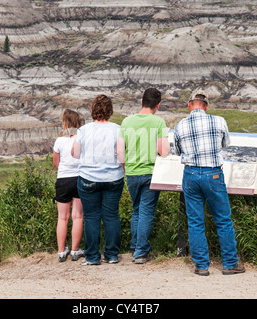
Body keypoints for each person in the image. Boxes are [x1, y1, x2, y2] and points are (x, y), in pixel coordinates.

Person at [174, 90, 245, 276]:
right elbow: (225, 144)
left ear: (189, 105)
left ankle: (201, 266)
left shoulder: (180, 125)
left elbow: (177, 151)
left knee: (195, 221)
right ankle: (230, 263)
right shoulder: (219, 121)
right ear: (206, 106)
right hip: (213, 173)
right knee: (223, 219)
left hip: (190, 174)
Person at [117, 88, 169, 264]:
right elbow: (163, 151)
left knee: (137, 209)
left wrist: (126, 168)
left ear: (141, 101)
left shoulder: (126, 122)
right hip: (150, 173)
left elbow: (119, 152)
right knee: (146, 211)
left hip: (131, 172)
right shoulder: (159, 123)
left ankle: (135, 245)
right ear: (158, 105)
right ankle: (140, 252)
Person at [72, 94, 125, 265]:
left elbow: (75, 154)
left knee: (91, 217)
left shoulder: (83, 130)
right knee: (111, 216)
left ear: (93, 110)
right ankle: (111, 255)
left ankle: (93, 256)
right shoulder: (118, 129)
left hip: (88, 178)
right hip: (113, 178)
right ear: (110, 110)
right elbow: (120, 154)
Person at [53, 109, 85, 262]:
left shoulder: (59, 141)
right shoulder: (80, 138)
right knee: (77, 216)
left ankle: (60, 252)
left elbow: (55, 162)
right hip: (79, 178)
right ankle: (74, 250)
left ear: (65, 122)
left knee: (62, 218)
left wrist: (65, 170)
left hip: (63, 179)